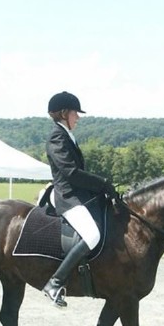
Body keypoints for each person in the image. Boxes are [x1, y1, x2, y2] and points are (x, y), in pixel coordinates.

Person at [42, 91, 117, 308]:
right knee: (93, 234)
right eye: (76, 112)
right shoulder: (57, 136)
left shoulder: (67, 135)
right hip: (67, 196)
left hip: (78, 194)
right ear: (64, 113)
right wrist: (101, 183)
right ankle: (55, 283)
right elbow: (70, 172)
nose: (78, 117)